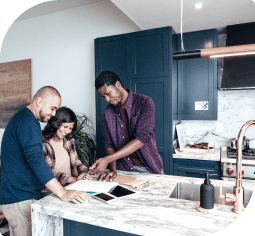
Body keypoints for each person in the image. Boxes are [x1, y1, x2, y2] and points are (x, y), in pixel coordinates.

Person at [0, 86, 87, 236]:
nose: (53, 114)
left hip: (18, 197)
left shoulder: (26, 119)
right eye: (52, 108)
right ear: (39, 100)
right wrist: (63, 193)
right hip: (20, 198)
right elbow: (36, 160)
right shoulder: (27, 121)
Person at [91, 71, 163, 181]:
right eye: (103, 97)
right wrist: (113, 170)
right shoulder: (107, 112)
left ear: (118, 85)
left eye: (108, 93)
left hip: (149, 168)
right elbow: (109, 144)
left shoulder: (145, 102)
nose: (107, 100)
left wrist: (107, 160)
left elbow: (142, 138)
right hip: (123, 170)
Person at [42, 106, 92, 187]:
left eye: (70, 128)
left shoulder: (69, 140)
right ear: (55, 123)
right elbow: (48, 172)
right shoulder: (43, 143)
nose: (67, 131)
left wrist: (87, 171)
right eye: (65, 127)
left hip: (71, 186)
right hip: (52, 190)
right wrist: (74, 179)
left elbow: (75, 161)